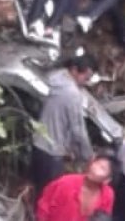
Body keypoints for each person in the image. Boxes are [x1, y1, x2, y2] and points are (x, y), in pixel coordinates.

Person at [31, 53, 98, 191]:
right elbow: (78, 130)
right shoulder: (72, 93)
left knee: (35, 185)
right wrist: (88, 155)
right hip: (52, 152)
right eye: (86, 78)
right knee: (49, 192)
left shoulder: (55, 77)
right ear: (74, 70)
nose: (86, 82)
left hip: (38, 143)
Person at [35, 152, 116, 221]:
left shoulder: (108, 195)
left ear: (107, 180)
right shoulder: (65, 182)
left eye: (102, 168)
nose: (94, 168)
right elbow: (43, 207)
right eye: (96, 163)